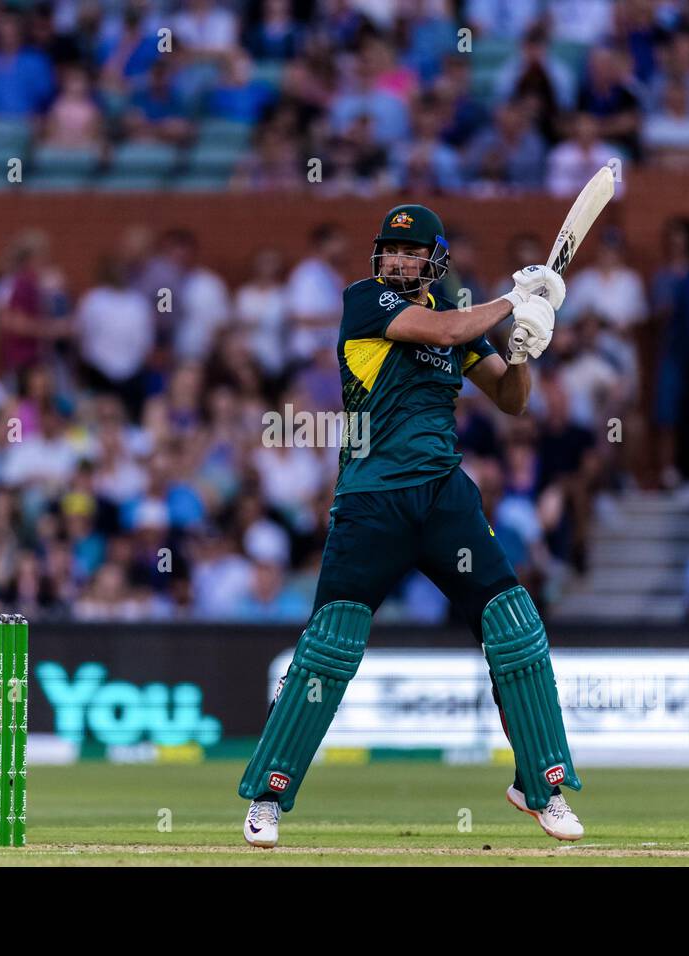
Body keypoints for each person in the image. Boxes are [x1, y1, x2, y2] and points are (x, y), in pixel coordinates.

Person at [238, 203, 583, 847]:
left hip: (443, 497)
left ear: (435, 258)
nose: (396, 261)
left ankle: (543, 786)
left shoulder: (457, 311)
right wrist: (516, 297)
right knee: (331, 647)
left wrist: (527, 346)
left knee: (515, 626)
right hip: (372, 500)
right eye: (390, 251)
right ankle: (269, 796)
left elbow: (511, 400)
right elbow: (447, 333)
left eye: (411, 252)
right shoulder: (365, 301)